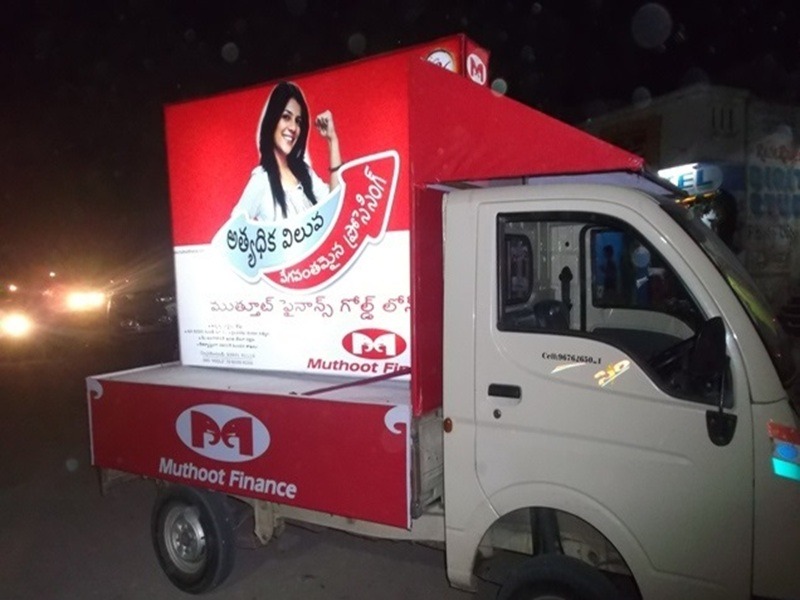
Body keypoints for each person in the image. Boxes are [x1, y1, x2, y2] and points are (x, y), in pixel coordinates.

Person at [232, 81, 342, 221]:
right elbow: (234, 233)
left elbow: (335, 205)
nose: (293, 127)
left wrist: (332, 140)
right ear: (272, 120)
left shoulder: (304, 172)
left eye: (298, 121)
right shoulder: (261, 180)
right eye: (286, 117)